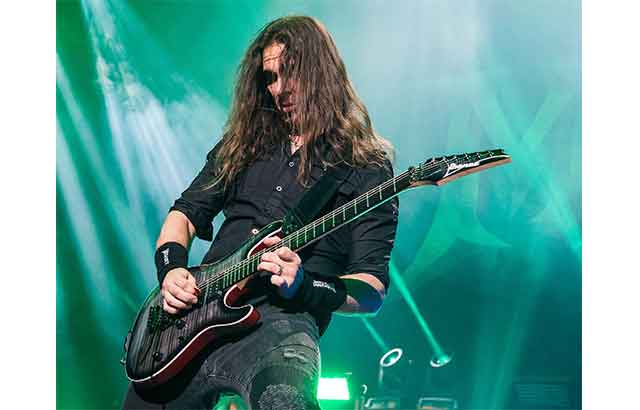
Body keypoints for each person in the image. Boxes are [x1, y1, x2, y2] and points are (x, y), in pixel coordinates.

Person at [122, 15, 399, 410]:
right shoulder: (245, 144)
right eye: (270, 78)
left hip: (282, 324)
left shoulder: (364, 165)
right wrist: (171, 271)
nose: (280, 89)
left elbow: (370, 291)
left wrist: (305, 284)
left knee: (285, 400)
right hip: (193, 318)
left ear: (321, 70)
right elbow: (182, 216)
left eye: (290, 72)